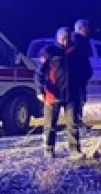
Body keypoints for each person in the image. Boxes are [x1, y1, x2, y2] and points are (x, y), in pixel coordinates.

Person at [36, 27, 83, 160]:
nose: (65, 39)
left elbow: (83, 71)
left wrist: (81, 90)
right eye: (63, 36)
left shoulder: (75, 51)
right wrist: (40, 90)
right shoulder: (49, 51)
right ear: (57, 37)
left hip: (71, 94)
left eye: (67, 36)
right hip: (53, 94)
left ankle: (75, 150)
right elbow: (39, 73)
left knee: (73, 123)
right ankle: (49, 149)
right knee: (50, 125)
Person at [69, 19, 94, 127]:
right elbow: (77, 59)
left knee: (82, 99)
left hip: (82, 76)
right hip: (76, 76)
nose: (88, 29)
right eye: (86, 27)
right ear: (80, 28)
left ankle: (78, 120)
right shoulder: (75, 40)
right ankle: (75, 121)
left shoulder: (84, 40)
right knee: (78, 99)